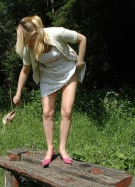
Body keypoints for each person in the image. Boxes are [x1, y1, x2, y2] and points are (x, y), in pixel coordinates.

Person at [13, 15, 87, 167]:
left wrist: (80, 61)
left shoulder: (56, 33)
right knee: (47, 112)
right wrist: (18, 93)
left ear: (37, 32)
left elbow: (82, 39)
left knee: (66, 111)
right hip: (48, 77)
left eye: (29, 38)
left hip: (68, 71)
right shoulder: (28, 47)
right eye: (24, 40)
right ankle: (50, 149)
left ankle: (62, 149)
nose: (27, 43)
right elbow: (25, 70)